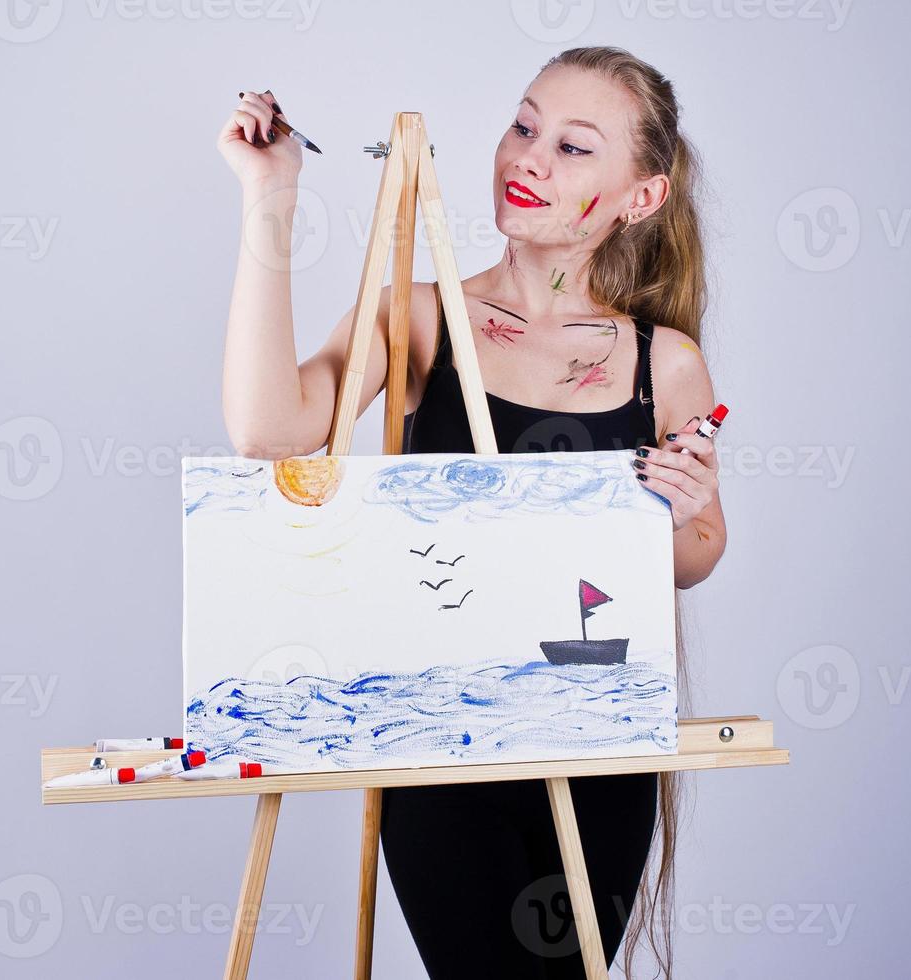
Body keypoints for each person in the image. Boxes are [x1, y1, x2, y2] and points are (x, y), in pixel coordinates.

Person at [217, 45, 724, 980]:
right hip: (440, 739)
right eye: (524, 126)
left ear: (639, 197)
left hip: (600, 748)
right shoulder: (416, 315)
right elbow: (267, 429)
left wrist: (683, 509)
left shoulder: (664, 360)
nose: (527, 158)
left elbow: (694, 552)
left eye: (573, 148)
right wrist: (270, 197)